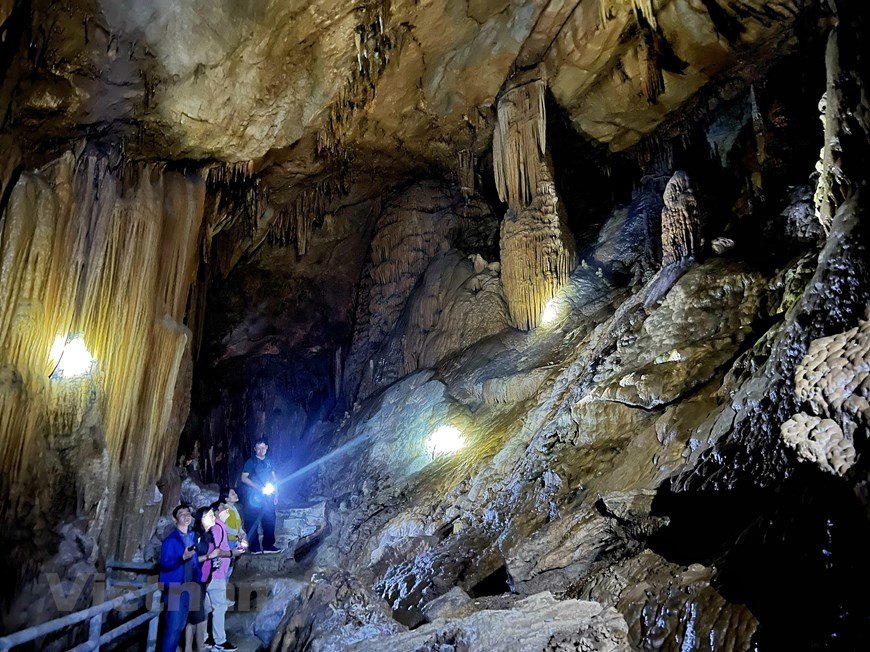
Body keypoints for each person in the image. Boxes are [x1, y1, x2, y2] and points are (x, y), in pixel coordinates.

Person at [159, 505, 199, 652]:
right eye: (182, 514)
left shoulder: (189, 538)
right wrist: (181, 558)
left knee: (180, 626)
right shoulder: (171, 540)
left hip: (188, 586)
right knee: (173, 627)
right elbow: (165, 564)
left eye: (188, 513)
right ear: (175, 519)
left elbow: (194, 564)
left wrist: (198, 579)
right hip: (175, 588)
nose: (186, 515)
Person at [205, 500, 241, 652]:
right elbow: (216, 551)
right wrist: (232, 553)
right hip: (216, 574)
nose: (226, 509)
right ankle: (220, 641)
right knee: (219, 608)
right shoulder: (218, 528)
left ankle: (205, 640)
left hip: (210, 575)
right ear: (215, 512)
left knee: (206, 608)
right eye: (222, 508)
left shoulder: (219, 527)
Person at [186, 506, 221, 652]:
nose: (214, 517)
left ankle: (199, 646)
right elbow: (190, 559)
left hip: (203, 579)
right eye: (210, 515)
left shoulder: (209, 535)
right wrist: (209, 557)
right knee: (195, 615)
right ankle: (191, 647)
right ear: (202, 519)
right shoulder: (194, 536)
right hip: (193, 580)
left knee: (199, 614)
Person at [240, 438, 282, 554]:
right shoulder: (251, 462)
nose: (260, 450)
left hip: (267, 495)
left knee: (270, 519)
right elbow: (244, 478)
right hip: (253, 496)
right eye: (258, 448)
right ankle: (254, 547)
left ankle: (268, 545)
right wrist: (258, 487)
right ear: (254, 449)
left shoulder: (269, 462)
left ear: (267, 448)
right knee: (252, 520)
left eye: (262, 448)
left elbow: (274, 478)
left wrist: (276, 493)